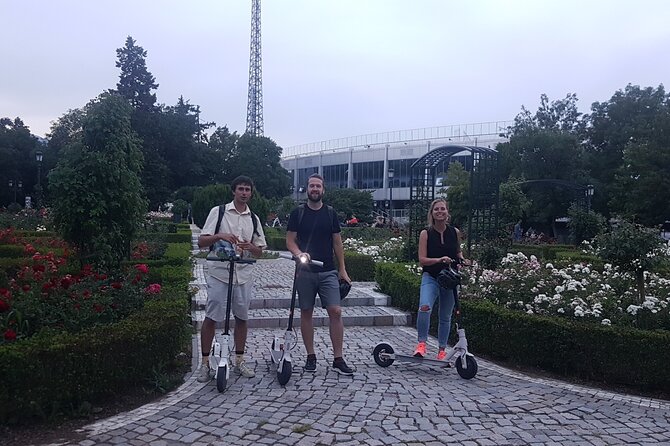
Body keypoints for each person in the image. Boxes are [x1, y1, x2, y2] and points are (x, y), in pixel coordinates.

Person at [196, 175, 267, 382]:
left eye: (247, 189)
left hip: (243, 275)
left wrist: (250, 247)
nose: (244, 193)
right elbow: (201, 241)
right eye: (241, 189)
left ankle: (239, 360)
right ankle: (205, 363)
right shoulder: (218, 212)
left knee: (242, 317)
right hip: (220, 273)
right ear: (233, 191)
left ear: (251, 193)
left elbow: (259, 251)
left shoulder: (253, 218)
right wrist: (220, 236)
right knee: (212, 316)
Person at [286, 173, 354, 375]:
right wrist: (299, 254)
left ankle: (338, 358)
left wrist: (342, 269)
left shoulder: (330, 213)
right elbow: (290, 240)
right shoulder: (298, 213)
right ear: (306, 189)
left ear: (323, 190)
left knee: (335, 311)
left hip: (327, 271)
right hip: (305, 272)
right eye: (311, 186)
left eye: (318, 186)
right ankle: (310, 356)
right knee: (306, 312)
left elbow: (337, 242)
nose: (315, 189)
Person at [414, 198, 466, 360]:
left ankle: (442, 350)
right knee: (425, 307)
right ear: (432, 213)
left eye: (442, 209)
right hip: (431, 276)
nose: (440, 212)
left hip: (449, 279)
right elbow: (422, 259)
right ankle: (421, 344)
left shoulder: (454, 232)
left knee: (445, 316)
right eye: (436, 209)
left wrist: (463, 260)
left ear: (447, 212)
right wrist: (439, 260)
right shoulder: (426, 233)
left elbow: (457, 252)